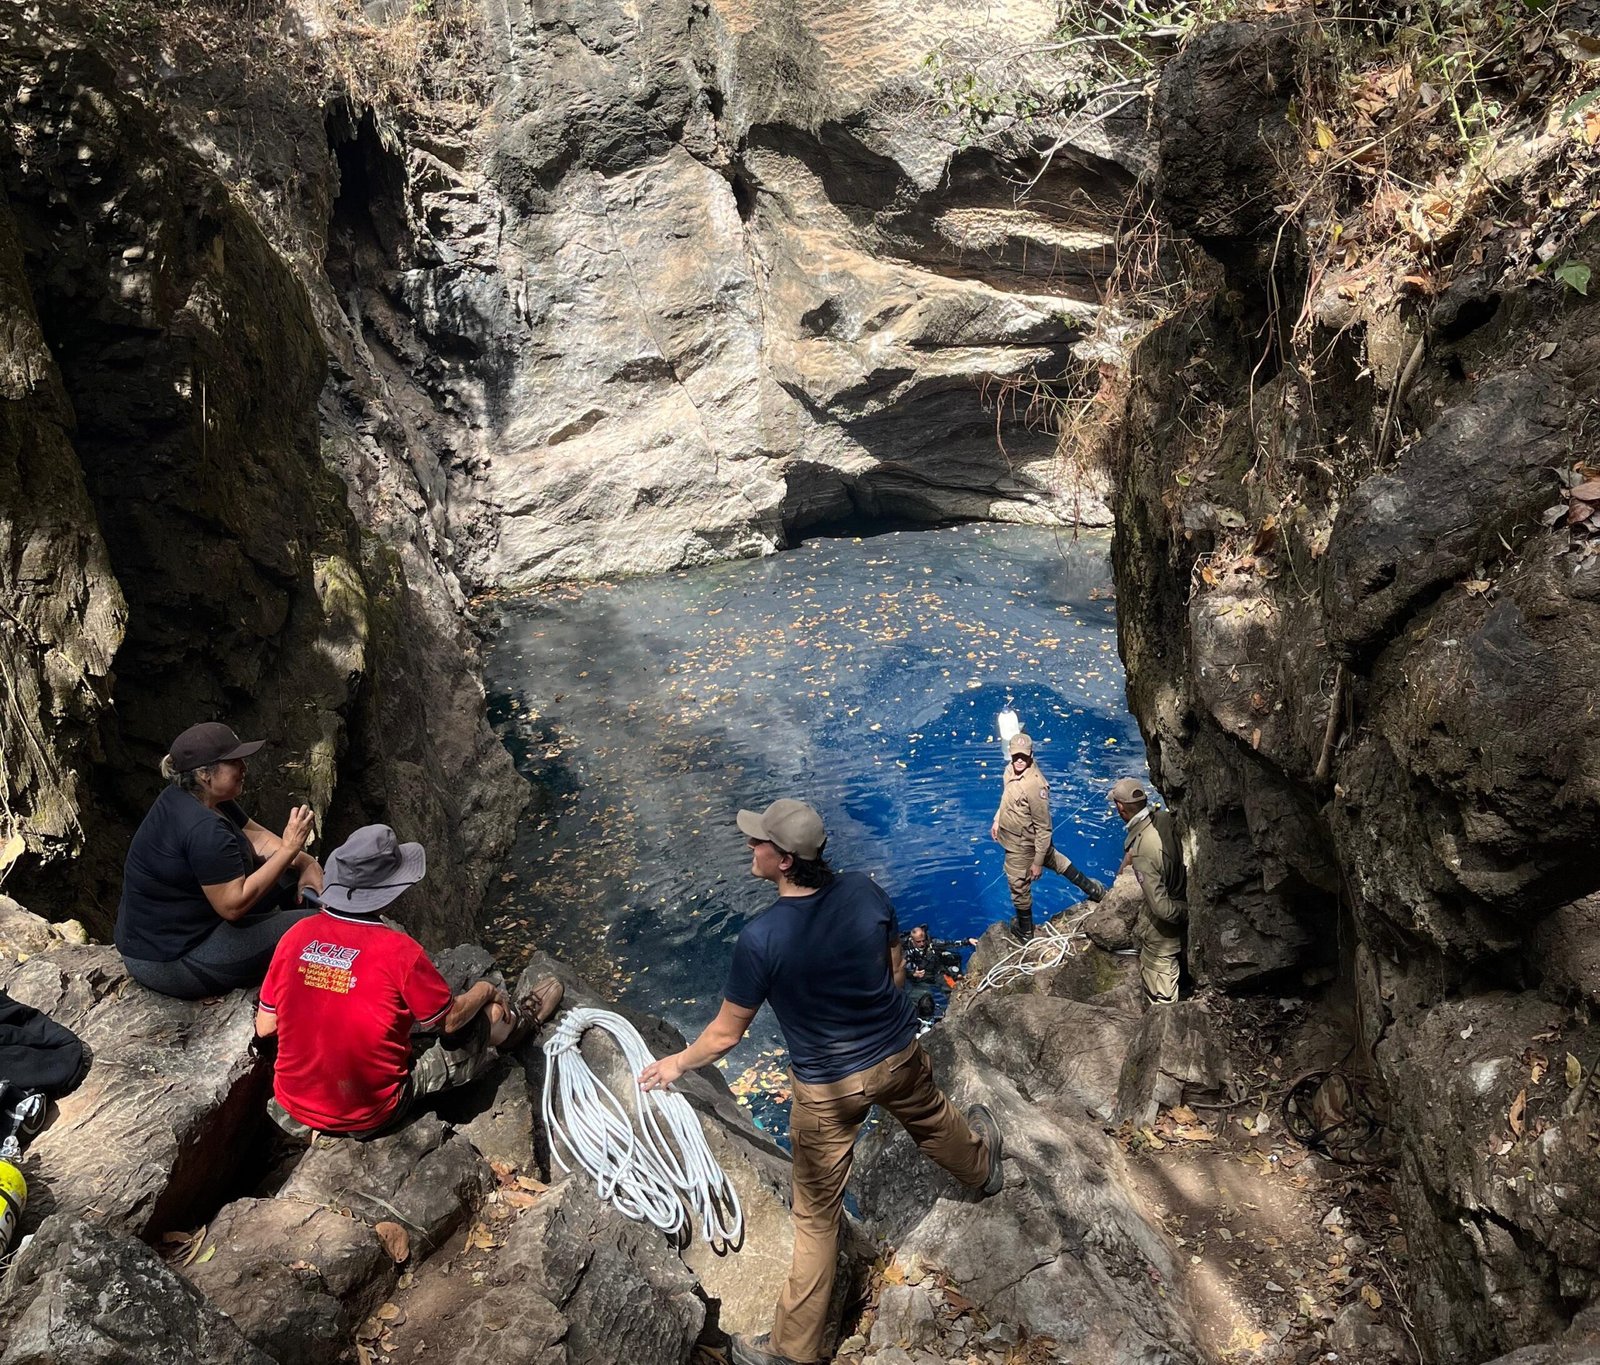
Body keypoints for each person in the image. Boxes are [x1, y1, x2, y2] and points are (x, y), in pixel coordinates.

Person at [639, 798, 1004, 1365]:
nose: (749, 847)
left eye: (758, 842)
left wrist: (675, 1065)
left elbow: (726, 1035)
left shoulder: (761, 939)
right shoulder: (863, 889)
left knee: (816, 1218)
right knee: (932, 1118)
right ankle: (983, 1171)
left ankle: (794, 1352)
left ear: (784, 861)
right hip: (896, 1054)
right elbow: (896, 968)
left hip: (830, 1090)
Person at [254, 824, 564, 1139]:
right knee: (490, 1017)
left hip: (294, 1104)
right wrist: (485, 991)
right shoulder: (399, 952)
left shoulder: (295, 936)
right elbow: (451, 1021)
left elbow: (265, 1026)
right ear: (388, 891)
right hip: (372, 1111)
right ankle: (518, 1026)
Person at [115, 721, 326, 999]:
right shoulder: (203, 829)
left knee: (290, 876)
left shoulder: (198, 796)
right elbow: (232, 906)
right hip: (176, 960)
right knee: (321, 927)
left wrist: (303, 861)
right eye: (234, 762)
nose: (244, 768)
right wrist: (289, 849)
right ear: (204, 773)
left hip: (176, 932)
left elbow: (255, 836)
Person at [990, 733, 1106, 939]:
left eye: (1023, 757)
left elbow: (1044, 829)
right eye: (1016, 755)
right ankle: (1095, 890)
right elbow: (1006, 798)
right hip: (1014, 838)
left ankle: (1025, 931)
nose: (1019, 760)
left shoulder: (1035, 786)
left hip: (1023, 845)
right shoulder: (1009, 771)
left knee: (1018, 885)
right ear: (1010, 753)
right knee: (1057, 861)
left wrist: (1036, 862)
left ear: (1031, 755)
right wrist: (997, 819)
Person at [1111, 777, 1188, 1003]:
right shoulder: (1164, 819)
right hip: (1180, 893)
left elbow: (1163, 909)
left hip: (1165, 935)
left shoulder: (1143, 850)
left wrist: (1189, 913)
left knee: (1162, 1001)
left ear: (1120, 808)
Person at [900, 924, 971, 1020]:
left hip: (936, 972)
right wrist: (912, 973)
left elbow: (950, 944)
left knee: (953, 990)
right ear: (912, 940)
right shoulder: (905, 950)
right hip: (917, 979)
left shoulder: (932, 944)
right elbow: (899, 967)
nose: (922, 944)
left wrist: (967, 941)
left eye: (923, 940)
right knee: (922, 1003)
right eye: (918, 942)